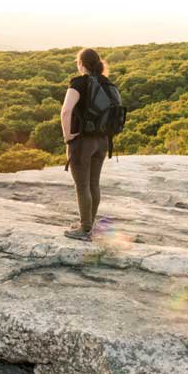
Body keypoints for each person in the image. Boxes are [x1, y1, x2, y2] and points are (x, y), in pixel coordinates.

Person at [60, 48, 114, 241]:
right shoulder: (107, 83)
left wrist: (68, 137)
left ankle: (84, 229)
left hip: (82, 141)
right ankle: (89, 223)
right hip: (102, 141)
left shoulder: (78, 83)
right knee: (94, 184)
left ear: (81, 64)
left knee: (82, 185)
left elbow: (66, 112)